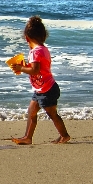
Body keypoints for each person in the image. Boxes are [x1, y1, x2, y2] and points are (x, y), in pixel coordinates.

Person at [10, 16, 70, 145]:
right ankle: (27, 137)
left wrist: (21, 68)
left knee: (52, 114)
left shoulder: (35, 52)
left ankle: (64, 136)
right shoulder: (43, 49)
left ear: (27, 38)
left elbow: (35, 70)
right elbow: (37, 68)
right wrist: (25, 68)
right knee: (32, 111)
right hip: (41, 89)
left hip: (47, 89)